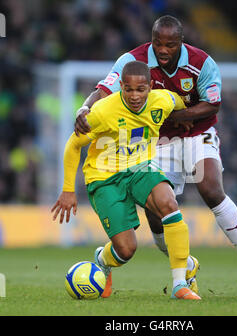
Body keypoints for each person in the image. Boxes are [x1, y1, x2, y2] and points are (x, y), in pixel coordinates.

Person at [75, 15, 237, 289]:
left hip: (196, 133)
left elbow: (212, 104)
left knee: (211, 188)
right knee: (156, 211)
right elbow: (103, 89)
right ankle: (185, 264)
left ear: (181, 41)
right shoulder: (133, 60)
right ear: (151, 40)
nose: (163, 50)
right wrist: (84, 108)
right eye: (158, 43)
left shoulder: (202, 63)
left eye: (170, 44)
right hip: (159, 140)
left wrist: (181, 116)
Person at [52, 61, 201, 300]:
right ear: (120, 86)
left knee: (169, 204)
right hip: (105, 178)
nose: (134, 95)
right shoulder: (103, 112)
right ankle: (103, 258)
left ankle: (179, 283)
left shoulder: (161, 100)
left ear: (150, 87)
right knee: (126, 250)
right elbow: (73, 145)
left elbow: (178, 100)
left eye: (141, 89)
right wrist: (68, 190)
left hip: (141, 168)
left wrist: (181, 118)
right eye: (128, 89)